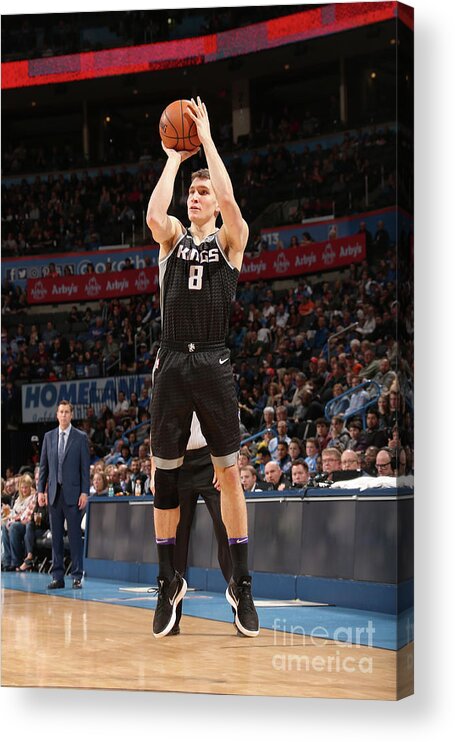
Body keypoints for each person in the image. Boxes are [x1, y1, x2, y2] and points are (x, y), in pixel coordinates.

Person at [146, 96, 259, 638]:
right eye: (191, 192)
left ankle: (241, 584)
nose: (194, 196)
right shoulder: (170, 239)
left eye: (201, 191)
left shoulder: (230, 240)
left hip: (213, 359)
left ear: (214, 204)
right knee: (161, 477)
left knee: (229, 473)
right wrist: (174, 157)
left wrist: (207, 140)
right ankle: (169, 581)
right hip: (170, 360)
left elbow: (233, 202)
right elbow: (152, 215)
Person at [150, 412, 232, 635]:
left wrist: (228, 460)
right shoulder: (161, 374)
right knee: (176, 540)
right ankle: (171, 614)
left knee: (227, 531)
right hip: (176, 460)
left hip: (212, 458)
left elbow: (229, 413)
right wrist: (154, 465)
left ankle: (240, 603)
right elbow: (158, 420)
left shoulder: (214, 375)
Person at [37, 400, 90, 589]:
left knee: (75, 537)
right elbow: (43, 468)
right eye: (61, 412)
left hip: (73, 494)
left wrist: (85, 491)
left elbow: (85, 469)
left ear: (71, 415)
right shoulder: (49, 437)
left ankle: (76, 575)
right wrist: (40, 491)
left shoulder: (80, 437)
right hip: (53, 494)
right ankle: (57, 576)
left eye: (67, 412)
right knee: (56, 537)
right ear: (57, 415)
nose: (64, 415)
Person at [1, 474, 36, 571]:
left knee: (14, 526)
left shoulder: (33, 498)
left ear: (30, 487)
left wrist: (13, 519)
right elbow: (12, 513)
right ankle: (7, 562)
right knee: (4, 526)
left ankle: (16, 561)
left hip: (25, 524)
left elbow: (25, 516)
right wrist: (10, 520)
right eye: (22, 488)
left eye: (26, 488)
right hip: (16, 521)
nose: (24, 490)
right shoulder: (18, 499)